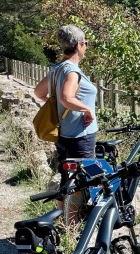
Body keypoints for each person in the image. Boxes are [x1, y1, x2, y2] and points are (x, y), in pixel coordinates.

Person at [34, 25, 98, 212]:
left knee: (67, 178)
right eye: (86, 43)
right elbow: (67, 97)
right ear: (78, 45)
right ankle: (79, 224)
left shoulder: (57, 69)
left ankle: (64, 222)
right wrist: (87, 110)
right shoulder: (72, 71)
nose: (86, 46)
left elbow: (39, 92)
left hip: (63, 135)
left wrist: (59, 106)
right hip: (81, 135)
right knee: (85, 179)